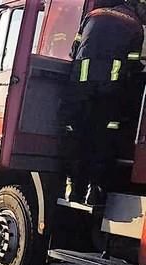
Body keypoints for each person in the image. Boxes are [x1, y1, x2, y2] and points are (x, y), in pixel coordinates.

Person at [61, 0, 146, 205]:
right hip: (109, 90)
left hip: (80, 88)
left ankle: (73, 188)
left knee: (79, 134)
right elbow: (133, 64)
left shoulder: (93, 15)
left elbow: (74, 51)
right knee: (104, 136)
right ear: (137, 7)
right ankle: (95, 190)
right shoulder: (134, 25)